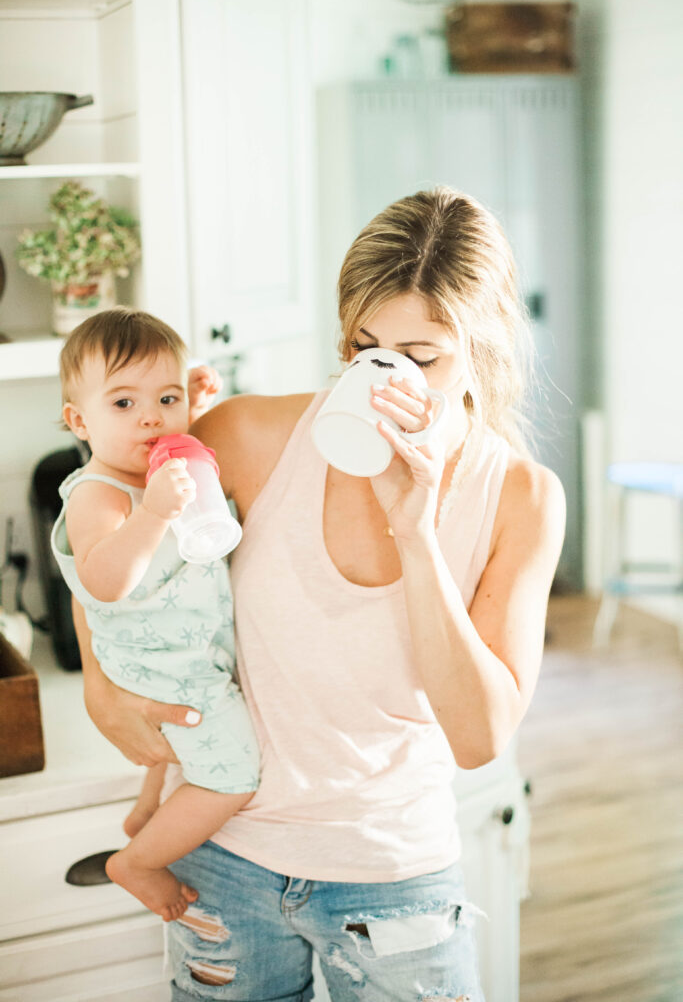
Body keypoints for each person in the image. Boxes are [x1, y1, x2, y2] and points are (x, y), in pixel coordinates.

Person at [74, 188, 566, 1002]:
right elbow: (102, 521)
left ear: (481, 346)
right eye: (364, 347)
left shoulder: (520, 496)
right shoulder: (246, 437)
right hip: (223, 859)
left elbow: (479, 736)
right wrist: (100, 678)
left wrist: (416, 529)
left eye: (422, 355)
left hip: (392, 879)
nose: (386, 376)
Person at [51, 308, 260, 923]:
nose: (150, 417)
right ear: (78, 422)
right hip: (157, 668)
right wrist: (154, 515)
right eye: (122, 404)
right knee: (233, 774)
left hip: (183, 653)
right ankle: (137, 861)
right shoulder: (100, 493)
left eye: (164, 398)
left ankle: (148, 809)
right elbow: (105, 582)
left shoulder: (157, 471)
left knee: (183, 750)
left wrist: (188, 402)